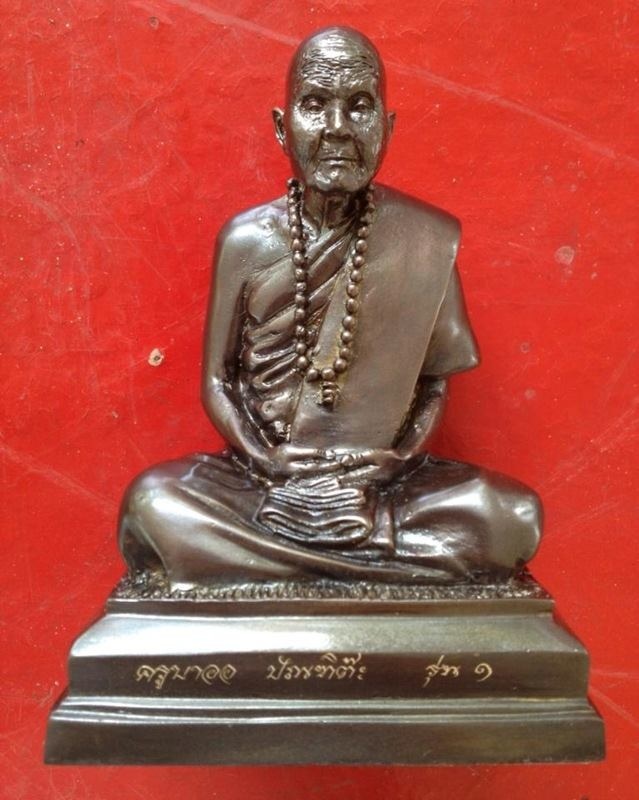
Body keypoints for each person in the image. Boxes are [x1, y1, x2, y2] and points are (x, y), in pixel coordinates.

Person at [118, 27, 542, 590]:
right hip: (264, 479)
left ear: (387, 128)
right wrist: (266, 461)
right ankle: (376, 561)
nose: (338, 127)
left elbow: (434, 385)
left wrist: (398, 461)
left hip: (379, 482)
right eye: (315, 105)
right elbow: (219, 382)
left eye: (359, 106)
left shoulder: (423, 240)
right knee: (151, 502)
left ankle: (285, 559)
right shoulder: (246, 240)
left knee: (513, 515)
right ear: (282, 127)